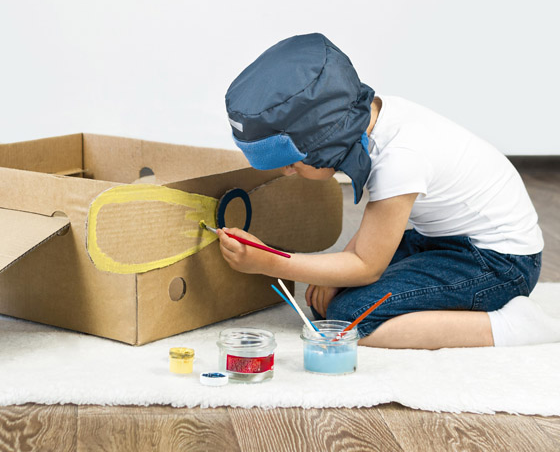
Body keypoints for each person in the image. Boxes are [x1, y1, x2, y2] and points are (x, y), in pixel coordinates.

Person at [218, 33, 560, 349]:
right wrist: (337, 270)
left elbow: (366, 266)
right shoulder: (377, 118)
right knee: (332, 288)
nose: (287, 171)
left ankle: (509, 328)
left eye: (293, 162)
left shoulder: (400, 159)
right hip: (449, 241)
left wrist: (270, 263)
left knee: (350, 318)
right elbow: (374, 234)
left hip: (501, 264)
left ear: (327, 143)